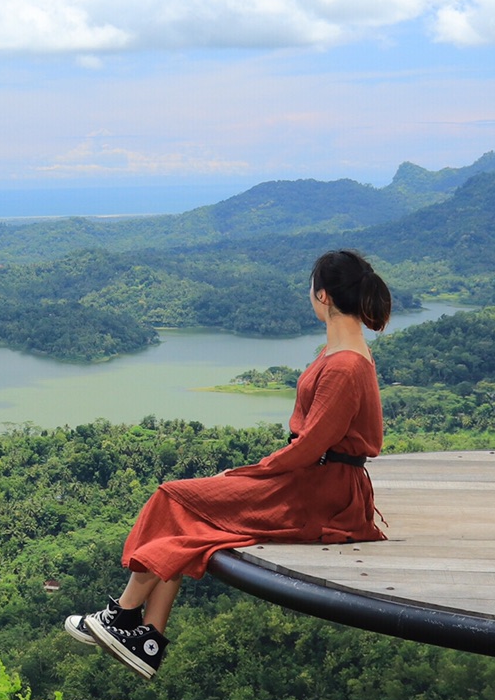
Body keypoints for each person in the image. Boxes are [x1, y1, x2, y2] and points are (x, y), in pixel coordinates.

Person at [63, 249, 390, 678]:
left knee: (173, 496)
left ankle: (125, 616)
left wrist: (248, 473)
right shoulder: (347, 352)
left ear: (323, 296)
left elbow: (311, 447)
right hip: (315, 481)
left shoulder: (345, 365)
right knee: (185, 514)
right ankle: (146, 638)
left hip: (320, 492)